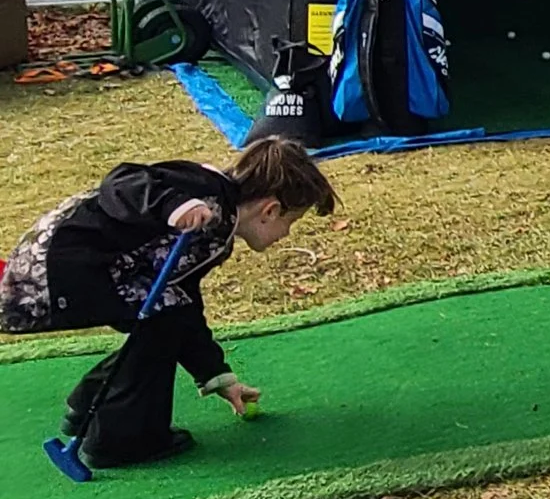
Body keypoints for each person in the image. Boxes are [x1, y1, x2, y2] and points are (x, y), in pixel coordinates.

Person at [0, 135, 339, 467]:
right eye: (290, 222)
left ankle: (89, 405)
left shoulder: (217, 228)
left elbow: (185, 302)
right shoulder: (202, 189)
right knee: (163, 320)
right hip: (50, 277)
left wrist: (217, 376)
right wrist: (174, 205)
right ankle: (120, 441)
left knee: (170, 314)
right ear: (270, 210)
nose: (286, 235)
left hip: (83, 273)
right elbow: (121, 182)